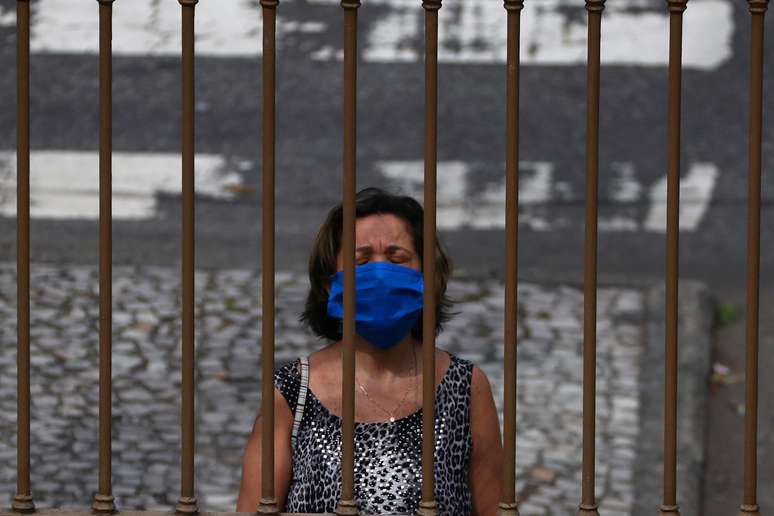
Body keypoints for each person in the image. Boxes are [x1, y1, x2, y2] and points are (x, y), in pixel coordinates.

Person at [236, 188, 503, 515]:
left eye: (397, 258)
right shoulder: (292, 392)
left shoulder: (466, 386)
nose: (379, 273)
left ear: (427, 275)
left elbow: (494, 507)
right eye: (361, 260)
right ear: (329, 283)